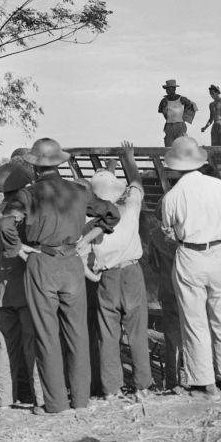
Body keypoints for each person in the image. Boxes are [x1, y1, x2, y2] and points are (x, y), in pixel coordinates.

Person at [0, 138, 120, 415]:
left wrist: (18, 249)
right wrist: (86, 236)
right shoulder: (78, 191)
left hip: (41, 262)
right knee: (77, 333)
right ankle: (80, 400)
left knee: (46, 335)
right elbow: (111, 214)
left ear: (34, 166)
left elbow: (7, 223)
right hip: (72, 264)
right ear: (59, 163)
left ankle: (55, 403)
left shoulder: (28, 194)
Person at [161, 137, 221, 398]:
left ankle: (206, 384)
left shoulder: (172, 196)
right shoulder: (216, 186)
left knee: (194, 322)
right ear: (200, 162)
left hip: (190, 256)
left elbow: (168, 229)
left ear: (175, 167)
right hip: (219, 254)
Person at [78, 141, 153, 401]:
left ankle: (111, 389)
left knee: (107, 334)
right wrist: (128, 159)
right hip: (131, 273)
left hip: (106, 277)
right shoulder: (130, 208)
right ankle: (143, 386)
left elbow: (82, 254)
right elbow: (136, 184)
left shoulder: (88, 221)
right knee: (137, 331)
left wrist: (93, 274)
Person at [0, 163, 44, 412]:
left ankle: (3, 400)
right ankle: (39, 398)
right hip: (24, 288)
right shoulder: (22, 214)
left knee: (3, 346)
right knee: (32, 344)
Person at [149, 200, 183, 393]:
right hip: (190, 289)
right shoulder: (186, 230)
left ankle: (173, 382)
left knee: (171, 337)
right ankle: (200, 378)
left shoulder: (154, 234)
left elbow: (153, 265)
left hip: (168, 289)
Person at [158, 79, 198, 146]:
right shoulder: (164, 101)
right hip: (169, 126)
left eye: (169, 88)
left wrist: (186, 117)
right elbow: (162, 112)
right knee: (169, 147)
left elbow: (193, 106)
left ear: (174, 89)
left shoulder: (182, 99)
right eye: (166, 89)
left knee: (181, 147)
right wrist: (168, 117)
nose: (167, 90)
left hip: (180, 126)